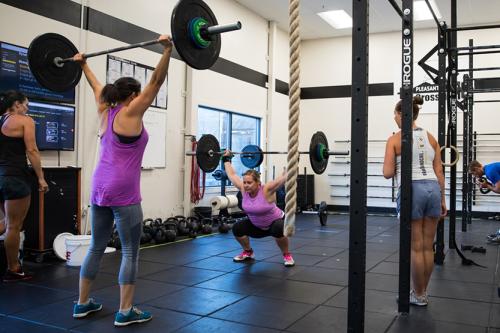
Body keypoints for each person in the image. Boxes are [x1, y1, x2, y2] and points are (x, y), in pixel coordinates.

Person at [72, 35, 172, 326]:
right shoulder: (130, 112)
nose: (143, 98)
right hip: (124, 191)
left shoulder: (105, 110)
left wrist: (83, 64)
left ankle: (81, 303)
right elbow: (156, 82)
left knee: (96, 246)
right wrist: (166, 50)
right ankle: (126, 310)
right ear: (132, 96)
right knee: (130, 252)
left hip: (99, 188)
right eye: (138, 94)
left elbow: (95, 86)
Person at [383, 95, 447, 306]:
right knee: (428, 247)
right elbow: (439, 171)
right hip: (433, 190)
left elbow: (387, 172)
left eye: (395, 113)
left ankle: (418, 294)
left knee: (416, 248)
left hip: (413, 190)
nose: (394, 117)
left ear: (402, 114)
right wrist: (443, 199)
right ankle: (421, 293)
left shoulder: (395, 139)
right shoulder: (431, 138)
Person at [0, 90, 48, 282]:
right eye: (26, 104)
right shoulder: (24, 120)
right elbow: (32, 150)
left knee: (4, 224)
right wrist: (41, 178)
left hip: (1, 176)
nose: (27, 108)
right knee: (14, 226)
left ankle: (13, 266)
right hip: (14, 178)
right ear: (17, 105)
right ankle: (13, 269)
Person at [222, 151, 295, 267]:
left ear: (257, 183)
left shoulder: (267, 189)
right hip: (257, 226)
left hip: (274, 224)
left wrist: (293, 162)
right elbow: (232, 175)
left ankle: (286, 254)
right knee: (237, 228)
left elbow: (282, 179)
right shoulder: (243, 189)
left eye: (249, 183)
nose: (246, 185)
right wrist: (226, 159)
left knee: (278, 228)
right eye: (245, 182)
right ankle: (248, 252)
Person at [468, 160, 500, 243]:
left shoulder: (490, 172)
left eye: (473, 174)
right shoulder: (489, 168)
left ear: (476, 169)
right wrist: (488, 184)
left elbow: (498, 189)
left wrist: (487, 186)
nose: (475, 176)